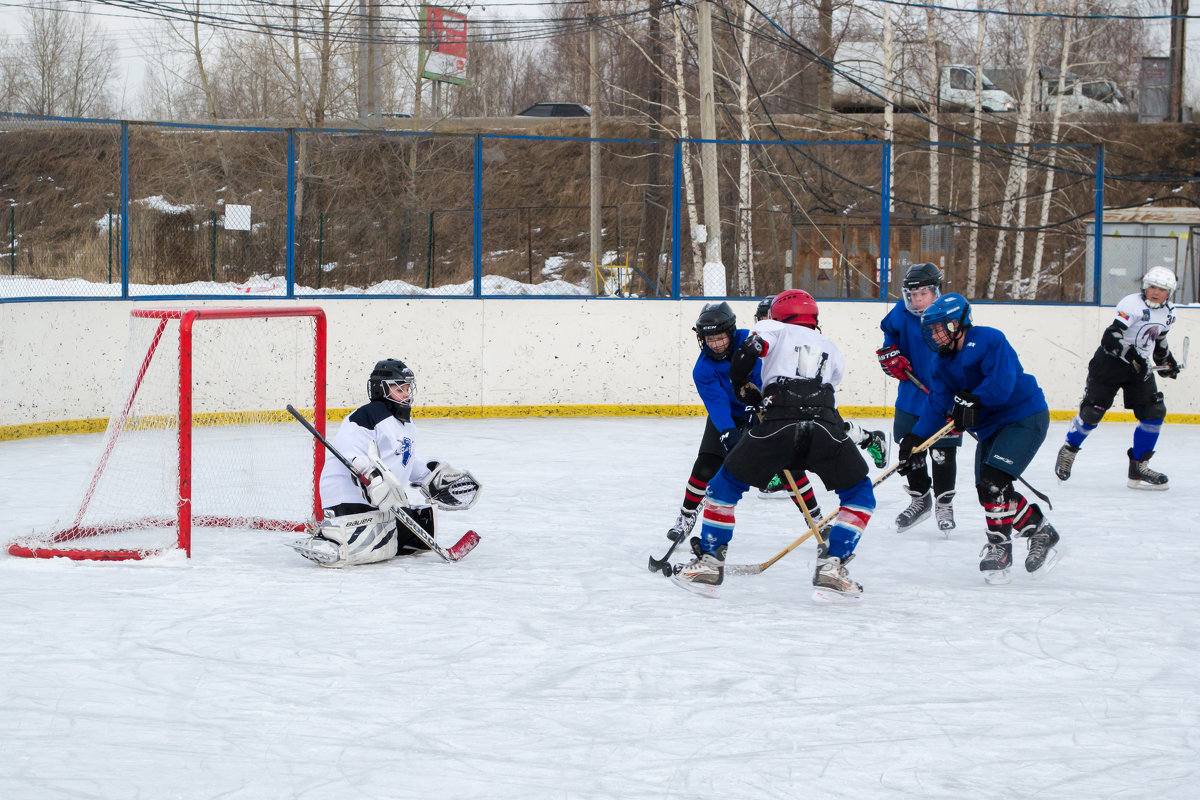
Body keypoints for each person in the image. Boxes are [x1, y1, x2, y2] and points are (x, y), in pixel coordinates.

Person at [671, 290, 876, 602]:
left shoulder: (771, 328)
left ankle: (710, 563)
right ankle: (833, 565)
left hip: (778, 419)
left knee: (724, 485)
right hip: (824, 421)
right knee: (861, 492)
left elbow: (750, 352)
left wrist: (742, 385)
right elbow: (828, 386)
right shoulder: (831, 347)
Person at [899, 294, 1062, 584]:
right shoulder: (941, 364)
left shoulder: (989, 340)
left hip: (1023, 417)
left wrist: (972, 400)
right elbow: (938, 405)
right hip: (990, 428)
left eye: (938, 328)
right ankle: (1040, 530)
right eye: (931, 330)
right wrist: (915, 439)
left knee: (993, 481)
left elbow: (1000, 387)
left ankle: (999, 547)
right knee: (988, 491)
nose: (934, 335)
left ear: (957, 323)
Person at [291, 359, 481, 567]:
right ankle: (330, 540)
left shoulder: (407, 425)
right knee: (376, 548)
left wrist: (430, 475)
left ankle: (349, 538)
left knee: (418, 534)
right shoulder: (367, 415)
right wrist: (372, 477)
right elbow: (350, 452)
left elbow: (404, 459)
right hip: (349, 495)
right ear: (379, 389)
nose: (406, 394)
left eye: (407, 388)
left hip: (381, 500)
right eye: (399, 389)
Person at [666, 302, 825, 542]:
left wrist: (759, 403)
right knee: (706, 465)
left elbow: (764, 373)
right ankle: (686, 516)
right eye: (709, 339)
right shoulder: (702, 369)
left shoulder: (751, 341)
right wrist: (728, 431)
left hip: (765, 409)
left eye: (720, 338)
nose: (716, 344)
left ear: (730, 332)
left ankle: (816, 519)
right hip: (729, 415)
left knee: (788, 468)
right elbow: (717, 404)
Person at [1055, 266, 1181, 490]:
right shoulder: (1131, 304)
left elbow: (1159, 340)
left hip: (1138, 369)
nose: (1155, 292)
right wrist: (1133, 356)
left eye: (1161, 289)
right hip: (1110, 365)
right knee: (1093, 412)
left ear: (1169, 292)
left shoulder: (1170, 312)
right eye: (1152, 286)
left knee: (1155, 411)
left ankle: (1139, 466)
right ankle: (1069, 449)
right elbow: (1110, 337)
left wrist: (1166, 362)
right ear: (1145, 287)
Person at [757, 294, 888, 500]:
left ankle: (870, 439)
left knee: (834, 431)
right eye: (763, 319)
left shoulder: (798, 340)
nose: (767, 323)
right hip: (777, 402)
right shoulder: (762, 339)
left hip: (804, 399)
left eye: (769, 318)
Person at [876, 262, 962, 533]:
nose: (915, 300)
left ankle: (944, 503)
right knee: (909, 448)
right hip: (912, 393)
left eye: (922, 294)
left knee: (942, 452)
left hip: (944, 393)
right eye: (911, 294)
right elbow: (890, 340)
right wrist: (891, 356)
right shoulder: (901, 312)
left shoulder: (950, 312)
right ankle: (920, 497)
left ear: (936, 291)